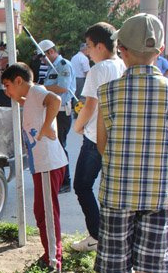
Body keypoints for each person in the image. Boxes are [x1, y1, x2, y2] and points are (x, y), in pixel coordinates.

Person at [96, 13, 168, 273]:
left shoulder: (108, 92)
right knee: (148, 261)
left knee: (117, 257)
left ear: (121, 50)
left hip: (117, 190)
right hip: (158, 192)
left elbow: (102, 145)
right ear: (159, 50)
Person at [1, 63, 68, 273]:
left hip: (49, 163)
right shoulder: (30, 97)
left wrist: (47, 126)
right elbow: (31, 104)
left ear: (19, 81)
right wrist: (17, 99)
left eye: (7, 85)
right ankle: (50, 253)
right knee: (41, 212)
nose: (6, 90)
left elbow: (55, 100)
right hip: (42, 166)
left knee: (47, 214)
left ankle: (53, 262)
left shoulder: (38, 91)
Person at [70, 22, 126, 253]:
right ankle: (112, 237)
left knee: (82, 186)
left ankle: (97, 235)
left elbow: (90, 105)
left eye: (89, 46)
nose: (87, 51)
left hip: (94, 138)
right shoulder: (123, 64)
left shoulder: (98, 70)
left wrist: (78, 125)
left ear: (101, 46)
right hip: (117, 137)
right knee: (110, 191)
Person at [39, 39, 75, 193]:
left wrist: (41, 88)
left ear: (51, 52)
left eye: (43, 56)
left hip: (61, 112)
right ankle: (58, 179)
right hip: (53, 111)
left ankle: (65, 181)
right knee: (55, 146)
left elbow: (62, 88)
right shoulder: (51, 68)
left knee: (60, 146)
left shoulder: (63, 65)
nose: (42, 60)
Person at [70, 43, 91, 111]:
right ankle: (79, 111)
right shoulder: (84, 58)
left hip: (73, 78)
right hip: (80, 79)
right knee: (81, 96)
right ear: (85, 49)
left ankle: (74, 110)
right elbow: (86, 71)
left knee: (75, 95)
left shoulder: (74, 57)